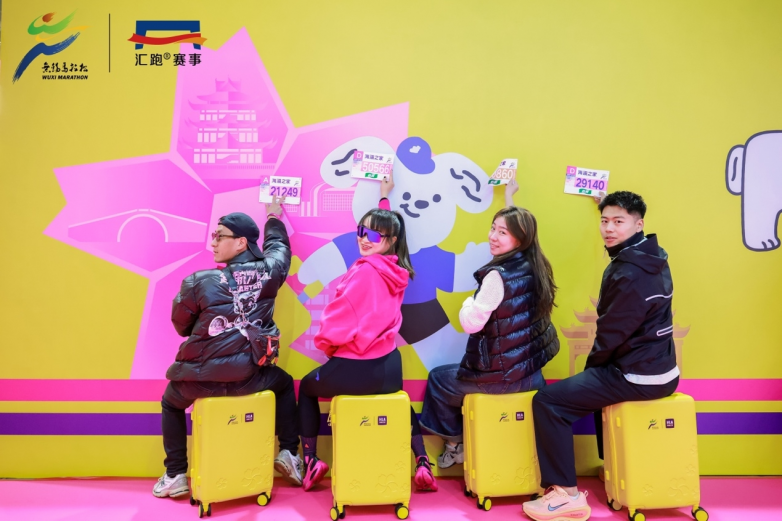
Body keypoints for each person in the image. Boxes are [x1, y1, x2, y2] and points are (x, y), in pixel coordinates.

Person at [522, 191, 679, 521]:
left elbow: (611, 335)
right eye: (604, 221)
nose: (608, 228)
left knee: (548, 401)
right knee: (594, 383)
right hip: (664, 370)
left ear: (639, 225)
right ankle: (613, 466)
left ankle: (565, 495)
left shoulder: (627, 272)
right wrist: (604, 201)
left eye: (618, 222)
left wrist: (591, 369)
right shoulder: (654, 256)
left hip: (637, 376)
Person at [153, 197, 304, 499]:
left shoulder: (197, 281)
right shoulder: (270, 272)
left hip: (199, 381)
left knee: (171, 403)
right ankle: (289, 453)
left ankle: (175, 474)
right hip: (249, 379)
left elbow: (181, 325)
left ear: (241, 242)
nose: (213, 242)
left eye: (219, 236)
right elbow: (279, 248)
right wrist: (273, 216)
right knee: (285, 384)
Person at [297, 177, 438, 493]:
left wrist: (327, 345)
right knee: (399, 401)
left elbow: (336, 321)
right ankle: (422, 461)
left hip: (357, 368)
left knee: (306, 388)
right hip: (389, 368)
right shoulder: (397, 269)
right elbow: (388, 228)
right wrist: (384, 197)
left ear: (390, 240)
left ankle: (310, 461)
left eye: (372, 234)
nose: (364, 238)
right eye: (361, 231)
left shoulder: (363, 272)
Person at [418, 179, 560, 468]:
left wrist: (467, 302)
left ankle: (455, 445)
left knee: (438, 379)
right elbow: (520, 226)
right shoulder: (536, 265)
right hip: (531, 372)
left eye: (502, 232)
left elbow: (471, 323)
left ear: (519, 239)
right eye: (493, 228)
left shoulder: (497, 276)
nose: (493, 236)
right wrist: (509, 196)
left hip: (503, 378)